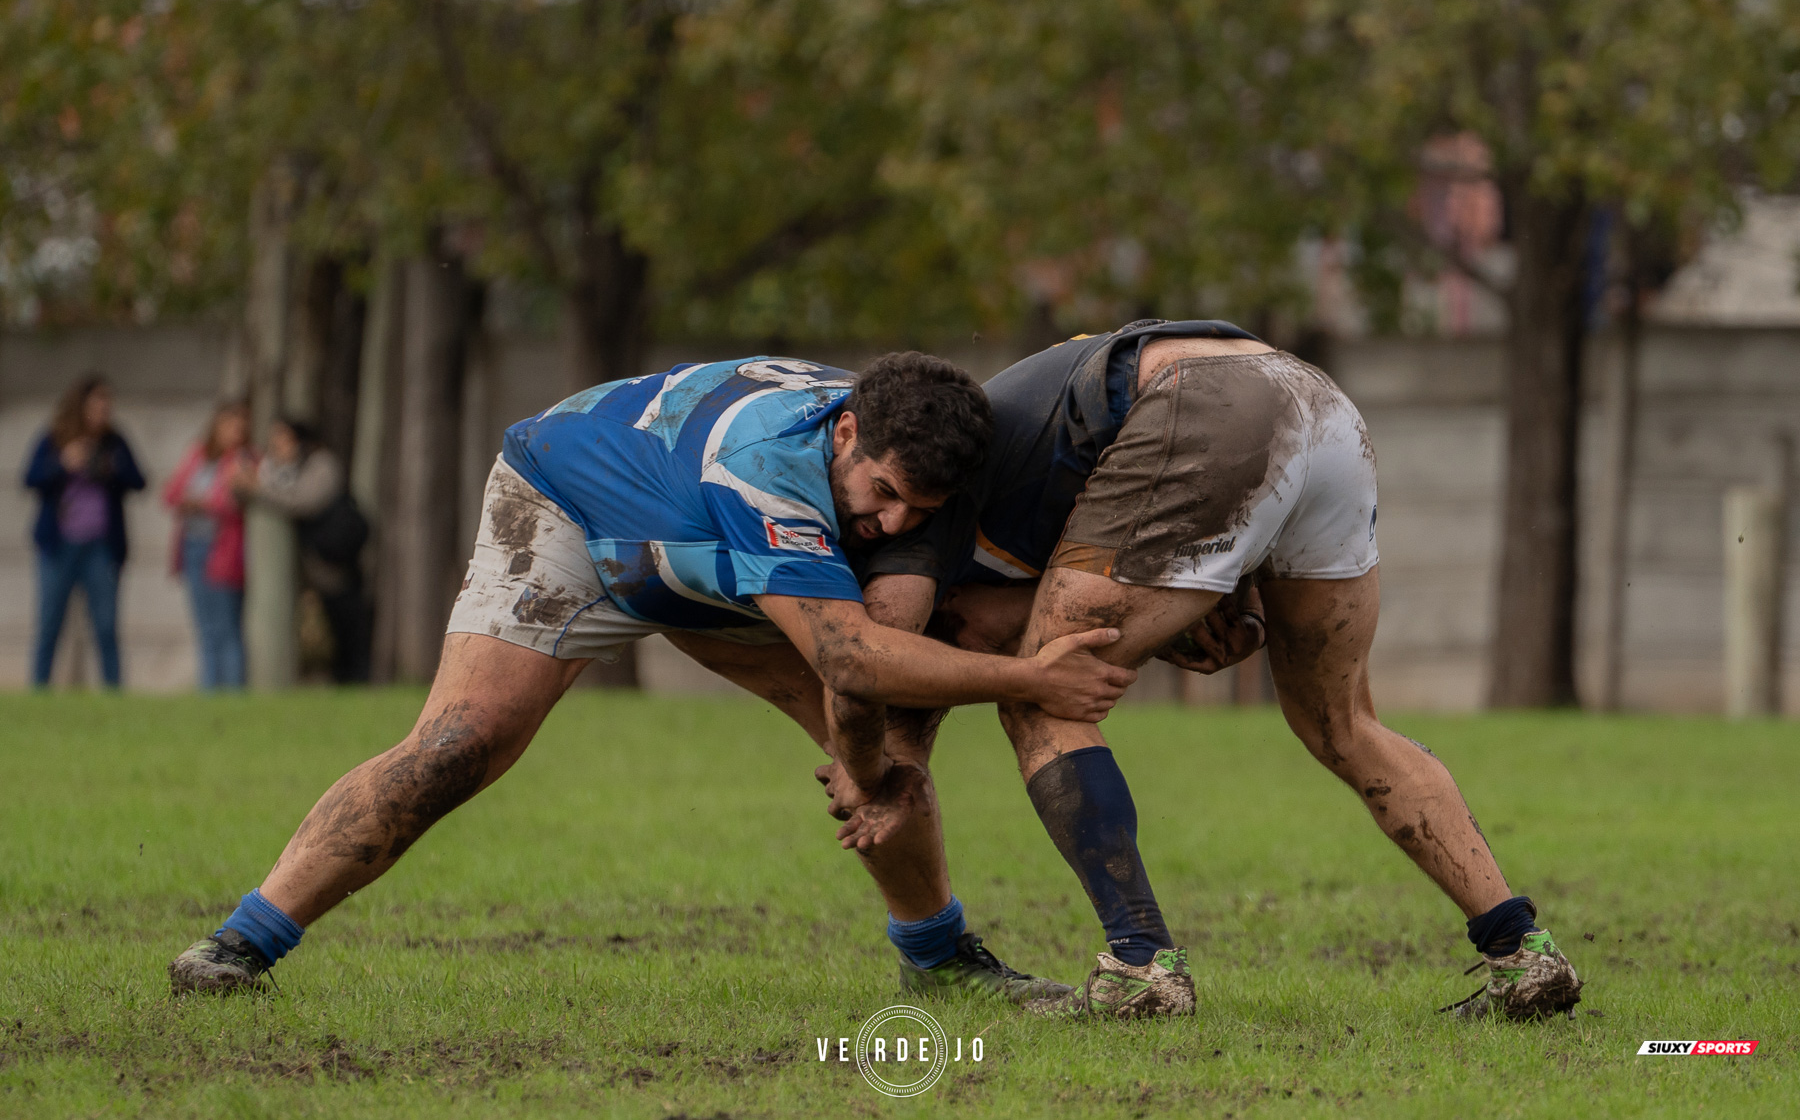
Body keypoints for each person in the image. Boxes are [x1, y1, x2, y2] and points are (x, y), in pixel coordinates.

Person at [168, 353, 1134, 996]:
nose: (890, 525)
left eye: (916, 511)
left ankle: (939, 961)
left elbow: (887, 660)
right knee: (463, 744)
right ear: (844, 436)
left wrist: (876, 757)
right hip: (575, 514)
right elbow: (848, 656)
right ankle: (243, 940)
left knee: (880, 749)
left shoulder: (914, 456)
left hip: (713, 564)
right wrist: (1028, 682)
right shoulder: (770, 466)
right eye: (880, 497)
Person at [796, 320, 1582, 1022]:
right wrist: (1208, 597)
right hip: (1319, 409)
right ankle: (1523, 951)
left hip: (1205, 408)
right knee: (1343, 724)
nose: (889, 519)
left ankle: (1143, 966)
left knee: (1047, 689)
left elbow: (876, 664)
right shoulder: (973, 466)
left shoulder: (916, 512)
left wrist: (872, 773)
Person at [23, 376, 145, 688]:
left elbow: (138, 481)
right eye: (98, 403)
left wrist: (111, 468)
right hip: (58, 545)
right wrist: (63, 463)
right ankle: (39, 690)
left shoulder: (115, 442)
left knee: (105, 626)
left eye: (108, 404)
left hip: (101, 547)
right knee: (50, 624)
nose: (104, 410)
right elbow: (30, 480)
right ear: (82, 406)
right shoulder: (55, 439)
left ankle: (113, 692)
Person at [240, 417, 371, 683]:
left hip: (336, 561)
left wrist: (259, 490)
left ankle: (354, 680)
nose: (277, 446)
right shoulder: (279, 468)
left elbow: (304, 501)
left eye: (284, 439)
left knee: (346, 625)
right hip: (310, 563)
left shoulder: (322, 464)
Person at [163, 402, 255, 690]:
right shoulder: (199, 455)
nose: (234, 432)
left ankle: (232, 693)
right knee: (206, 629)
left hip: (224, 550)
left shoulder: (246, 459)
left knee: (227, 627)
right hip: (193, 547)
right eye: (228, 425)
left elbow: (232, 502)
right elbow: (171, 493)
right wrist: (193, 501)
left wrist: (200, 502)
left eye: (240, 426)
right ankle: (209, 693)